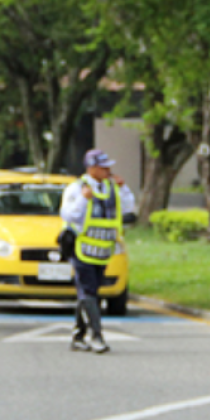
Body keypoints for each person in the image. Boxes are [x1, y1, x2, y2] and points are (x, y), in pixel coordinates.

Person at [58, 148, 135, 354]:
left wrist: (124, 188)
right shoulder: (76, 188)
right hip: (81, 248)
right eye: (103, 167)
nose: (108, 170)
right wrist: (84, 199)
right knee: (88, 290)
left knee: (89, 292)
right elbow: (68, 215)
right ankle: (96, 335)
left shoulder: (112, 187)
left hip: (103, 249)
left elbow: (127, 208)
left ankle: (78, 335)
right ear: (91, 168)